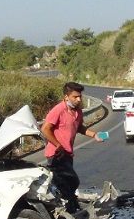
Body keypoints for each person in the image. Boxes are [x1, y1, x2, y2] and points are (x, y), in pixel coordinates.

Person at [41, 82, 104, 212]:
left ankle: (69, 209)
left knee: (67, 185)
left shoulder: (78, 111)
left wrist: (94, 135)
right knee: (72, 181)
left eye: (80, 96)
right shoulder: (58, 110)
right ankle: (65, 209)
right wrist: (58, 145)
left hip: (68, 154)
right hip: (56, 154)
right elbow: (45, 129)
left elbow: (79, 127)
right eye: (75, 97)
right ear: (66, 97)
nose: (79, 99)